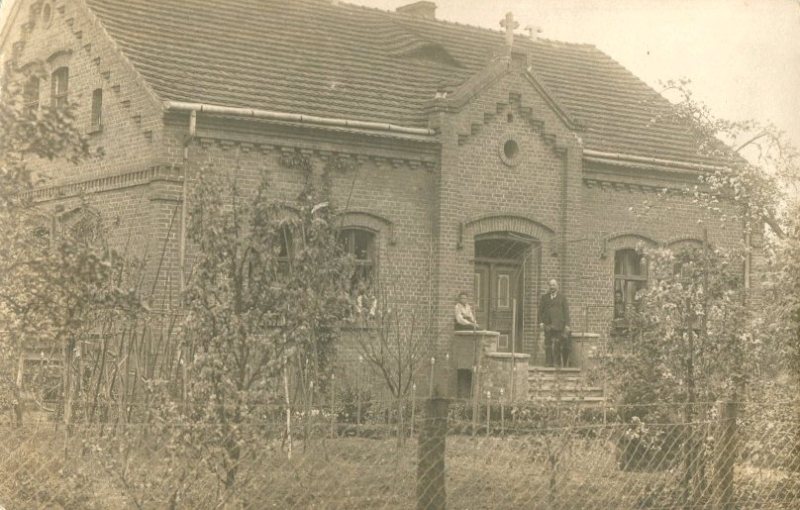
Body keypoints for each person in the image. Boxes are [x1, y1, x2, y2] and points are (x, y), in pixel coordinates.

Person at [538, 279, 571, 367]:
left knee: (557, 344)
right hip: (547, 324)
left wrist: (567, 325)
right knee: (547, 344)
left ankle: (557, 363)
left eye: (554, 285)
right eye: (550, 285)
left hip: (559, 325)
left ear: (557, 286)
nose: (552, 287)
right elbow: (540, 311)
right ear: (548, 287)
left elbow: (566, 312)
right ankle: (548, 362)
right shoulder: (544, 297)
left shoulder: (562, 298)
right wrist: (541, 322)